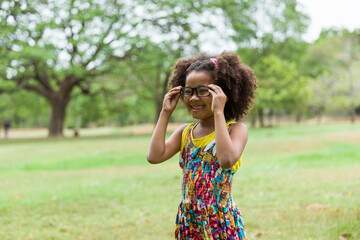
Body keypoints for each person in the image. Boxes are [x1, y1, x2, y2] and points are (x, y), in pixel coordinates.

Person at [147, 51, 258, 240]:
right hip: (189, 221)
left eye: (203, 91)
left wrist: (218, 112)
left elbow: (226, 160)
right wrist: (165, 113)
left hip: (220, 222)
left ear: (222, 94)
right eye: (188, 91)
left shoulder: (236, 130)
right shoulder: (185, 132)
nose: (193, 98)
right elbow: (155, 156)